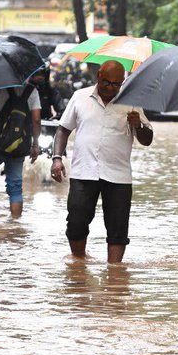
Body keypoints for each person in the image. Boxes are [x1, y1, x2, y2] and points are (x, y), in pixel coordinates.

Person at [50, 60, 153, 262]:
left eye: (116, 84)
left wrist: (138, 126)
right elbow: (63, 129)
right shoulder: (80, 97)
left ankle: (114, 274)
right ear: (98, 77)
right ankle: (78, 263)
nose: (111, 88)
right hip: (83, 171)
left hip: (118, 176)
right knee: (76, 222)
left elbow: (147, 140)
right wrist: (57, 159)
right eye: (107, 82)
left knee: (118, 228)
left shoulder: (132, 102)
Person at [0, 83, 41, 218]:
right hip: (19, 144)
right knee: (15, 186)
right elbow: (36, 119)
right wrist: (35, 145)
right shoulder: (32, 91)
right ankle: (15, 226)